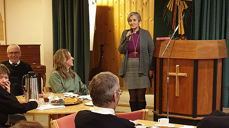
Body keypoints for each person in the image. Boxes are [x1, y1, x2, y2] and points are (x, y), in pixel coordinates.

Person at [118, 12, 154, 111]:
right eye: (130, 20)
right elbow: (121, 50)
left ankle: (142, 117)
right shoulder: (125, 33)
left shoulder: (146, 34)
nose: (132, 22)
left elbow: (151, 51)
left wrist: (151, 68)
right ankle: (134, 117)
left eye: (134, 20)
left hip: (142, 67)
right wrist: (126, 39)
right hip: (129, 67)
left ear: (139, 21)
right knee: (132, 96)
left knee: (141, 95)